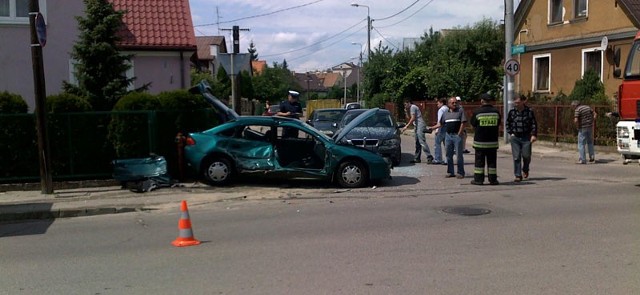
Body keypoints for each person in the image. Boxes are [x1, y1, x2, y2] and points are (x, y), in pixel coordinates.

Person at [429, 97, 466, 178]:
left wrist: (459, 133)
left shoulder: (460, 111)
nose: (455, 104)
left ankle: (460, 172)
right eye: (452, 103)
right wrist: (432, 128)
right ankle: (450, 172)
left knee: (459, 155)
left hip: (457, 136)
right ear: (449, 104)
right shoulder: (445, 113)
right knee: (448, 154)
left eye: (456, 102)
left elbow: (463, 123)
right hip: (448, 136)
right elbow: (440, 124)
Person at [469, 93, 501, 185]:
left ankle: (478, 180)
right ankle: (493, 180)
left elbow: (473, 124)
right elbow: (498, 123)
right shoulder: (496, 112)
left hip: (480, 142)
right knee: (492, 162)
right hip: (492, 142)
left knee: (479, 162)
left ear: (482, 101)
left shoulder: (478, 112)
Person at [506, 95, 538, 182]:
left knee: (526, 156)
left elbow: (533, 124)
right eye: (515, 102)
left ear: (523, 102)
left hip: (526, 137)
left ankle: (525, 169)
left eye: (518, 102)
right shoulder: (512, 112)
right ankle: (517, 175)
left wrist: (533, 135)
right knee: (516, 157)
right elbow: (508, 123)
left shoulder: (529, 111)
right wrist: (511, 133)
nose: (516, 104)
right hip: (515, 137)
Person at [401, 99, 434, 164]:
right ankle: (417, 158)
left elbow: (413, 118)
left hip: (420, 125)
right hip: (416, 125)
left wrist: (406, 126)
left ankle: (429, 156)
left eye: (405, 104)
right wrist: (405, 111)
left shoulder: (413, 107)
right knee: (417, 142)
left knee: (421, 141)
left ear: (408, 103)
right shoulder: (410, 108)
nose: (405, 106)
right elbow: (408, 117)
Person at [571, 100, 597, 164]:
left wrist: (577, 126)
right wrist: (592, 121)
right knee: (590, 142)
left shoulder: (577, 110)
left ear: (575, 105)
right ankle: (592, 157)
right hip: (590, 127)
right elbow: (595, 114)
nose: (572, 108)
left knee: (581, 144)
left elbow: (576, 120)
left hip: (582, 127)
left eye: (573, 106)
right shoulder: (587, 107)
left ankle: (582, 159)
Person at [432, 97, 448, 165]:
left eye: (438, 103)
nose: (437, 105)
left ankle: (437, 159)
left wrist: (436, 129)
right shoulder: (448, 108)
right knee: (446, 144)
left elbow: (440, 121)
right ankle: (447, 160)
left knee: (437, 143)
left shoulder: (441, 110)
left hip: (441, 128)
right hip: (447, 127)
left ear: (441, 103)